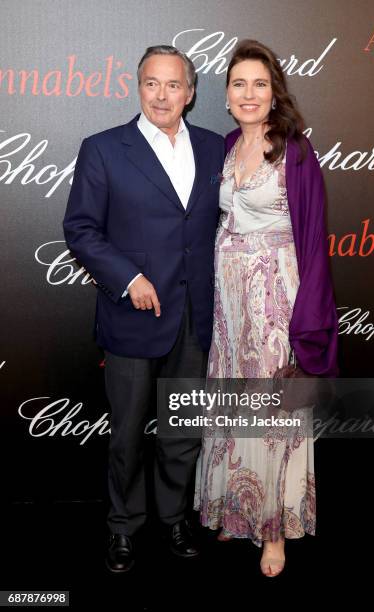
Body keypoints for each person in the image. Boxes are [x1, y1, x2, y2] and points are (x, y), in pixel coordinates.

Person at [63, 45, 224, 572]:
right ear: (138, 87)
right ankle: (123, 528)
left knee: (181, 435)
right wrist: (128, 277)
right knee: (128, 435)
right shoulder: (104, 148)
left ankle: (174, 519)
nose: (162, 95)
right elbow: (81, 229)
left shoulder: (214, 147)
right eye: (151, 83)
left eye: (173, 85)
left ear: (191, 92)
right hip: (133, 318)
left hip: (196, 318)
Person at [194, 40, 339, 577]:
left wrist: (308, 323)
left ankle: (274, 531)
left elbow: (314, 242)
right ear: (227, 95)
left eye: (259, 83)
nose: (249, 93)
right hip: (229, 305)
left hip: (276, 302)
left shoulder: (296, 151)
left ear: (274, 90)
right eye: (239, 84)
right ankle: (239, 511)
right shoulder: (228, 145)